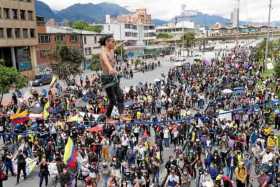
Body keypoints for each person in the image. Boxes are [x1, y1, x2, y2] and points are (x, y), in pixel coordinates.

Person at [99, 35, 124, 119]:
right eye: (112, 42)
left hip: (113, 76)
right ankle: (107, 116)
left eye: (114, 41)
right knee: (112, 100)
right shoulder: (103, 52)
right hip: (107, 78)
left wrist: (123, 43)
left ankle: (121, 114)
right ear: (106, 42)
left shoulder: (111, 49)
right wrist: (110, 68)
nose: (114, 43)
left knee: (120, 95)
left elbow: (116, 46)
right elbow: (106, 61)